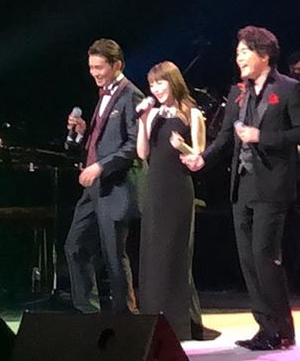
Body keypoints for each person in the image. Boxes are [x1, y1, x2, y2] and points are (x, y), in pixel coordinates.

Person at [183, 26, 300, 350]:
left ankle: (282, 329)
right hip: (242, 184)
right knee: (247, 259)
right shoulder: (238, 92)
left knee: (264, 256)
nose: (238, 58)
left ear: (264, 55)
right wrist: (202, 159)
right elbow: (225, 137)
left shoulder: (289, 89)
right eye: (238, 52)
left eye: (245, 52)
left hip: (272, 184)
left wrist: (262, 137)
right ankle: (265, 327)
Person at [136, 61, 217, 341]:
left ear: (173, 82)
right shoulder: (153, 115)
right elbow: (142, 152)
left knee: (175, 252)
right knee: (153, 252)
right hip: (154, 188)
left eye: (160, 83)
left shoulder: (191, 113)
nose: (156, 89)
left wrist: (180, 145)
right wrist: (142, 120)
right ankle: (153, 318)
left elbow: (198, 156)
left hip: (178, 189)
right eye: (152, 85)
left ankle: (180, 322)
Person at [63, 38, 144, 313]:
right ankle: (87, 310)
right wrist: (83, 132)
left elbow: (133, 145)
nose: (94, 73)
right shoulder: (104, 94)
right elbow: (103, 140)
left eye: (99, 67)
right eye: (91, 68)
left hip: (115, 185)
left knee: (113, 254)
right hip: (94, 187)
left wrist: (100, 166)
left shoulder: (131, 95)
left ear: (117, 65)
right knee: (74, 245)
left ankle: (126, 316)